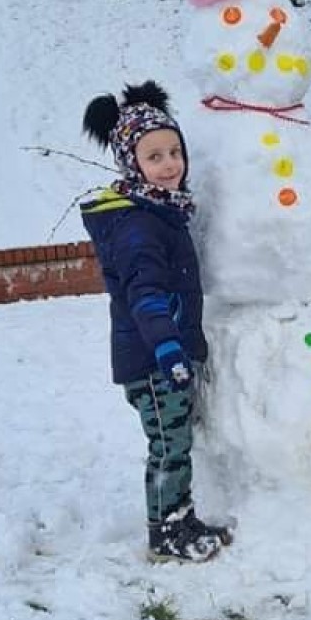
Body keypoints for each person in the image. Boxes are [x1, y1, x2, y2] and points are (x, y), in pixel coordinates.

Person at [81, 80, 232, 560]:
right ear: (132, 164)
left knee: (176, 441)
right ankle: (165, 531)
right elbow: (144, 294)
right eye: (154, 157)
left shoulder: (162, 212)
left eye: (174, 152)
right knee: (169, 446)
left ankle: (180, 517)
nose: (169, 165)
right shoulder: (138, 224)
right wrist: (167, 347)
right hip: (153, 360)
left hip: (164, 353)